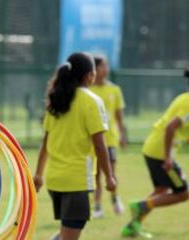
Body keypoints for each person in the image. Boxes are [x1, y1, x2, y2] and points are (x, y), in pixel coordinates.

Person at [33, 52, 116, 240]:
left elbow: (45, 141)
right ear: (89, 76)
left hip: (55, 180)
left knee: (67, 232)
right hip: (75, 181)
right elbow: (100, 144)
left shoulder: (57, 98)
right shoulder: (92, 101)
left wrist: (39, 174)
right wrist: (109, 177)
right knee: (70, 235)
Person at [121, 69, 189, 238]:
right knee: (183, 193)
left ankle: (131, 227)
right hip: (160, 152)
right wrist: (168, 157)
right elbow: (170, 127)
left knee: (161, 189)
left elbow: (180, 131)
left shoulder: (184, 97)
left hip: (153, 148)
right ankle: (141, 205)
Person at [89, 56, 127, 218]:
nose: (106, 69)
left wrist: (123, 135)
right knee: (96, 174)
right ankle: (97, 206)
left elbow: (119, 116)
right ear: (95, 70)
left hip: (110, 139)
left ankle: (114, 198)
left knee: (111, 171)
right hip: (92, 140)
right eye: (103, 66)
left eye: (107, 66)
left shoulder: (114, 90)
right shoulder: (88, 91)